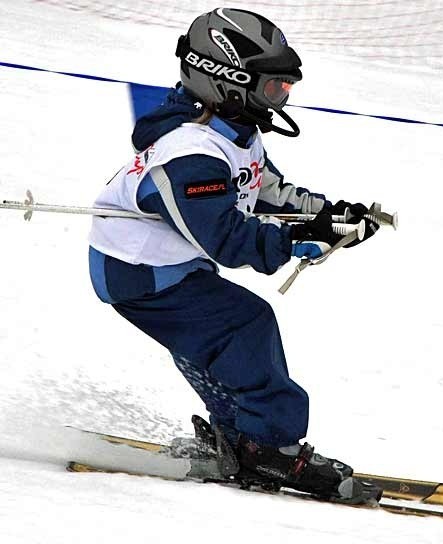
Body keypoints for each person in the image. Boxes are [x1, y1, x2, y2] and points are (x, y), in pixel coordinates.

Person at [88, 7, 380, 502]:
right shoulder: (190, 153)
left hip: (166, 267)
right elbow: (226, 236)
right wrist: (291, 241)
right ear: (228, 82)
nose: (282, 98)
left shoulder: (233, 135)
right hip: (141, 273)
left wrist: (330, 214)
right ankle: (269, 450)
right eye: (273, 88)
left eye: (285, 88)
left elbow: (265, 191)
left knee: (218, 341)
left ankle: (238, 436)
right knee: (247, 325)